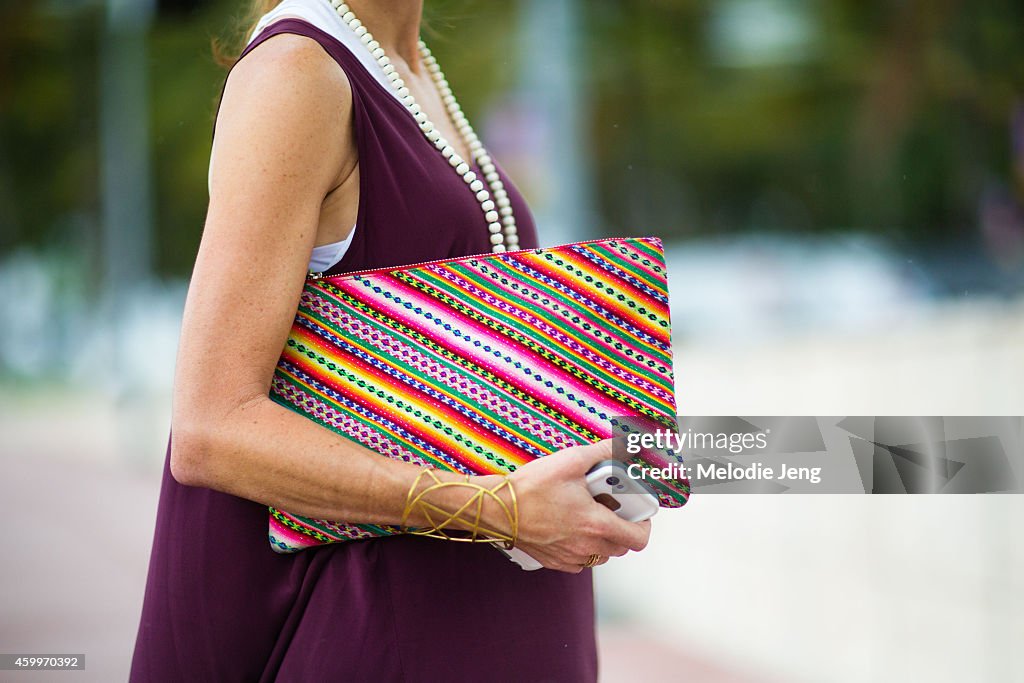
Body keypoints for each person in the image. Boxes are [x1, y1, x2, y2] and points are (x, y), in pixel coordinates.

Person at [130, 1, 652, 680]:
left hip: (488, 611)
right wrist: (502, 510)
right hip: (386, 624)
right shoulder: (297, 73)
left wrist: (633, 462)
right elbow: (212, 428)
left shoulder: (408, 65)